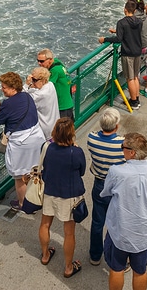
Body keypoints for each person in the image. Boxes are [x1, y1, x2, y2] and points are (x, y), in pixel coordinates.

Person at [101, 132, 147, 290]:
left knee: (117, 269)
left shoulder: (116, 172)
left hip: (121, 232)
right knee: (140, 270)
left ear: (131, 152)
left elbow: (106, 192)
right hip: (146, 233)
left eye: (122, 147)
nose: (121, 149)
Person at [0, 71, 47, 210]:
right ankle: (39, 197)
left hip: (21, 144)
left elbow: (0, 119)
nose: (1, 89)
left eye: (4, 87)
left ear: (13, 88)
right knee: (36, 171)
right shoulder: (27, 96)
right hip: (37, 137)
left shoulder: (8, 104)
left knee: (20, 176)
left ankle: (23, 204)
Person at [39, 118, 86, 279]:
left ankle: (45, 255)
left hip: (50, 191)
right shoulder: (76, 152)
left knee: (45, 224)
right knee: (69, 233)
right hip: (69, 195)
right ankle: (68, 267)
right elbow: (82, 171)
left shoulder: (48, 147)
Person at [86, 107, 125, 266]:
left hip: (100, 184)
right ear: (116, 126)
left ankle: (95, 255)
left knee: (97, 221)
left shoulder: (91, 139)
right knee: (118, 223)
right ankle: (117, 257)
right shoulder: (122, 144)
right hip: (117, 187)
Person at [99, 0, 144, 110]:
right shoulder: (139, 21)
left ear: (125, 10)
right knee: (135, 77)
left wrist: (104, 39)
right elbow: (132, 33)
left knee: (130, 78)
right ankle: (137, 99)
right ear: (134, 11)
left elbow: (119, 39)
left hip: (128, 53)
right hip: (137, 51)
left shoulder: (121, 22)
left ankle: (133, 102)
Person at [38, 48, 74, 120]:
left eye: (42, 61)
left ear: (50, 60)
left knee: (62, 130)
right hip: (68, 103)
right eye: (38, 61)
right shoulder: (58, 64)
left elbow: (46, 87)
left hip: (62, 106)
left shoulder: (54, 71)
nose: (39, 63)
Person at [24, 66, 59, 139]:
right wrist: (34, 84)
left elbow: (22, 100)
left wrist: (26, 84)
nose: (32, 81)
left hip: (45, 130)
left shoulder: (40, 95)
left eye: (34, 80)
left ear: (42, 80)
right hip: (54, 125)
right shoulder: (50, 85)